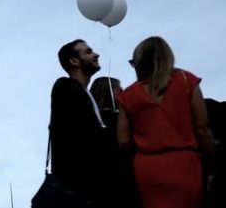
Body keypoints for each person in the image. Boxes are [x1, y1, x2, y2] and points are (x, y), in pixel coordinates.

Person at [117, 36, 219, 208]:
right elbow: (202, 128)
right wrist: (212, 166)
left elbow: (124, 141)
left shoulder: (127, 96)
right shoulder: (187, 81)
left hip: (148, 169)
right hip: (185, 165)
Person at [43, 39, 108, 207]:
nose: (96, 54)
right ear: (74, 61)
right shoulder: (65, 87)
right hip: (78, 191)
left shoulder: (86, 94)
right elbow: (83, 135)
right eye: (88, 52)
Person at [90, 77, 140, 208]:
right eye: (119, 89)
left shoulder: (87, 122)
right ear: (108, 92)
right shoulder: (120, 121)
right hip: (122, 182)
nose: (123, 91)